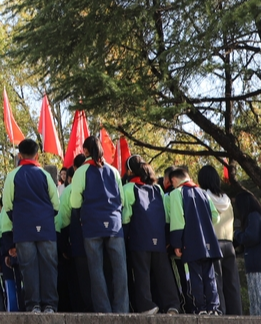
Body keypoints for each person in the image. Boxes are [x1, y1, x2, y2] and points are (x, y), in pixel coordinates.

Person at [68, 135, 130, 314]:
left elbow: (75, 202)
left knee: (96, 271)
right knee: (120, 270)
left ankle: (103, 311)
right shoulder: (113, 171)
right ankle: (122, 309)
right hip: (114, 224)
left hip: (91, 225)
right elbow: (122, 200)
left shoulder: (81, 171)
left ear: (85, 151)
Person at [1, 138, 60, 313]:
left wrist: (20, 220)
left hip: (23, 230)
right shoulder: (45, 175)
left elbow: (8, 205)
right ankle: (50, 305)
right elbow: (55, 204)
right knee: (49, 267)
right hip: (46, 230)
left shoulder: (13, 175)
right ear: (37, 154)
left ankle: (33, 304)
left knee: (29, 269)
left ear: (19, 155)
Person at [122, 156, 181, 315]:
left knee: (141, 273)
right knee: (164, 273)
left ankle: (147, 305)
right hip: (159, 237)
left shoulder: (128, 188)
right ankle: (172, 304)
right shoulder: (158, 189)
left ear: (129, 171)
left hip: (139, 237)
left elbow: (126, 216)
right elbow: (166, 215)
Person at [167, 167, 221, 315]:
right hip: (208, 240)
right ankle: (213, 307)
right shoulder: (203, 193)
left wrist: (176, 243)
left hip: (191, 241)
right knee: (209, 276)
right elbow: (215, 216)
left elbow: (178, 221)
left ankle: (200, 307)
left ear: (174, 180)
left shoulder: (177, 193)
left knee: (195, 276)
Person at [198, 165, 241, 315]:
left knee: (216, 282)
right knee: (232, 283)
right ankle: (236, 314)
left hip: (213, 244)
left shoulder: (203, 196)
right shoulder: (227, 200)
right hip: (229, 244)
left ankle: (220, 313)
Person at [57, 154, 92, 312]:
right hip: (101, 236)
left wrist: (64, 246)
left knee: (79, 279)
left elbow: (63, 220)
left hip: (76, 241)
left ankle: (83, 311)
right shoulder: (101, 180)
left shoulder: (69, 190)